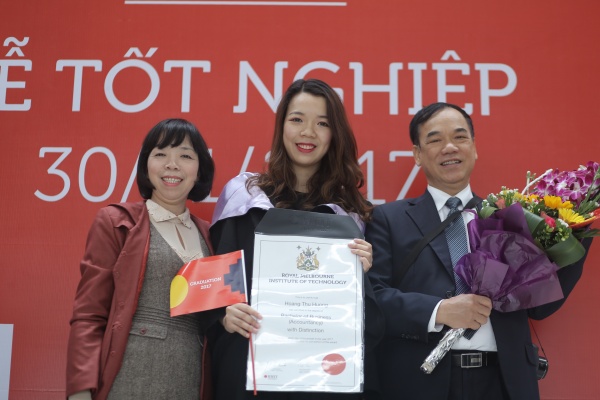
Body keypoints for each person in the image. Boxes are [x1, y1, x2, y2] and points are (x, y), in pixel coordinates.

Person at [365, 102, 593, 400]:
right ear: (418, 154)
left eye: (460, 137)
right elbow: (375, 299)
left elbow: (540, 306)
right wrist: (440, 311)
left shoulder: (512, 218)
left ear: (474, 148)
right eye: (435, 139)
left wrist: (577, 234)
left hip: (502, 382)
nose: (449, 147)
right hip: (420, 381)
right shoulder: (388, 219)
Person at [208, 78, 384, 400]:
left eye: (322, 123)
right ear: (281, 126)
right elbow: (218, 278)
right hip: (252, 370)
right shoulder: (245, 197)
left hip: (325, 377)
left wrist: (362, 271)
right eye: (297, 120)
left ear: (334, 135)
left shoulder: (349, 215)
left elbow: (365, 320)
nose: (308, 132)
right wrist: (224, 312)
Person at [66, 118, 217, 400]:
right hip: (130, 378)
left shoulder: (213, 236)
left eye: (185, 155)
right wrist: (80, 391)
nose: (172, 164)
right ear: (146, 166)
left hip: (193, 381)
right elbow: (89, 315)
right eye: (160, 154)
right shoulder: (117, 223)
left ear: (200, 170)